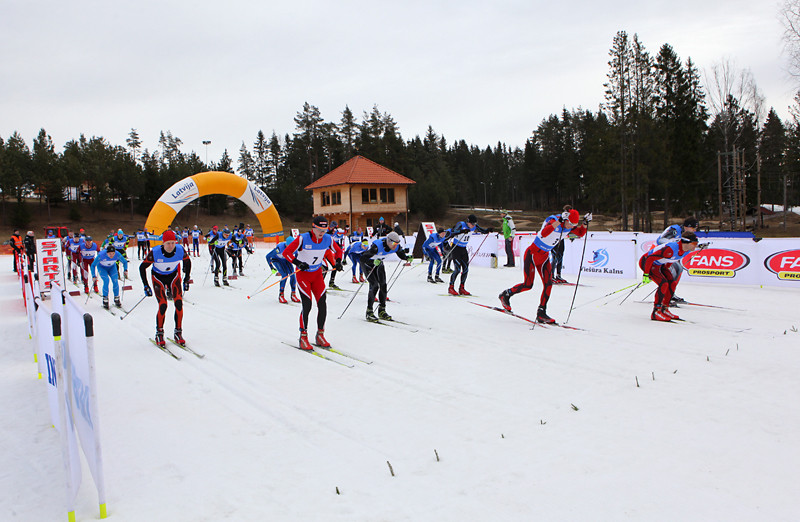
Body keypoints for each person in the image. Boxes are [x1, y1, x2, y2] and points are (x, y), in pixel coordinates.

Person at [498, 208, 590, 323]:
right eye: (570, 224)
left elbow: (581, 233)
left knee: (548, 283)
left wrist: (585, 223)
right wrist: (560, 220)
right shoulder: (554, 220)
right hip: (532, 254)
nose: (571, 227)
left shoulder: (569, 225)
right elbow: (544, 233)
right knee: (528, 285)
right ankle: (505, 295)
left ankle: (541, 313)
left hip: (544, 257)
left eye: (574, 225)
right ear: (565, 219)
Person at [281, 216, 344, 350]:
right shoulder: (303, 238)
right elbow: (286, 252)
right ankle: (303, 337)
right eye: (320, 229)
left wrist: (337, 262)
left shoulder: (328, 239)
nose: (322, 232)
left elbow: (338, 250)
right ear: (313, 227)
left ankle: (320, 335)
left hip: (317, 275)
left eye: (325, 229)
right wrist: (298, 263)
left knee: (322, 304)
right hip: (303, 275)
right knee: (307, 305)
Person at [139, 229, 192, 347]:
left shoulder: (179, 249)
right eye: (168, 243)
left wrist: (186, 279)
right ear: (163, 243)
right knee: (163, 305)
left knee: (178, 304)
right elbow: (142, 267)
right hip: (158, 278)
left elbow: (188, 262)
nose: (171, 246)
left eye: (173, 242)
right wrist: (146, 285)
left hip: (173, 276)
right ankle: (159, 333)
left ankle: (178, 332)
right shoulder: (155, 252)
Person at [639, 232, 699, 322]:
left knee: (672, 283)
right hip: (647, 262)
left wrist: (665, 273)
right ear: (687, 242)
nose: (695, 246)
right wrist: (646, 274)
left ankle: (665, 308)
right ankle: (656, 311)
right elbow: (650, 258)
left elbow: (671, 259)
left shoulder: (686, 251)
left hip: (660, 264)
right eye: (694, 244)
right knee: (664, 284)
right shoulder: (670, 248)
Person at [359, 231, 412, 322]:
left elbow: (401, 254)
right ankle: (369, 311)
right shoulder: (376, 247)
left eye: (397, 243)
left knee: (383, 285)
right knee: (374, 285)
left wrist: (407, 257)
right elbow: (362, 258)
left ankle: (382, 310)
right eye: (394, 243)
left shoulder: (396, 247)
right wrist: (372, 262)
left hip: (379, 263)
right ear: (389, 241)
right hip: (368, 264)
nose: (396, 245)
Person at [446, 214, 493, 296]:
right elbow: (453, 232)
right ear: (468, 222)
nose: (473, 226)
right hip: (456, 248)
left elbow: (482, 230)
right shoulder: (461, 224)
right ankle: (451, 287)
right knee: (457, 269)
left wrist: (488, 230)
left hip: (463, 249)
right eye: (472, 224)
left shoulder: (474, 226)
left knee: (466, 269)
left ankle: (462, 288)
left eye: (474, 224)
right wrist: (462, 231)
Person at [657, 217, 699, 305]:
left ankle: (670, 293)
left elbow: (688, 245)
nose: (695, 230)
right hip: (662, 253)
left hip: (673, 254)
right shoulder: (675, 230)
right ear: (687, 226)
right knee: (676, 270)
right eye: (693, 228)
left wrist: (699, 247)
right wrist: (675, 243)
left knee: (679, 271)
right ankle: (666, 295)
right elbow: (661, 240)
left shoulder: (686, 234)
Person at [91, 244, 129, 309]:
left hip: (112, 268)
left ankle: (116, 298)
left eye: (113, 253)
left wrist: (125, 270)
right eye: (110, 254)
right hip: (102, 268)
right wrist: (93, 275)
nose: (111, 255)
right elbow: (93, 265)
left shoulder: (117, 254)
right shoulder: (101, 255)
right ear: (107, 253)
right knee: (106, 281)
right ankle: (105, 299)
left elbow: (125, 262)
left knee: (115, 281)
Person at [265, 237, 300, 303]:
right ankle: (281, 295)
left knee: (292, 274)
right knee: (284, 275)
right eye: (289, 246)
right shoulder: (279, 248)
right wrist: (272, 267)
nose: (290, 248)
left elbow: (297, 257)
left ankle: (293, 294)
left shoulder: (295, 249)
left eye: (292, 245)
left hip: (286, 259)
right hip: (277, 260)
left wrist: (299, 264)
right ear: (286, 244)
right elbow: (268, 256)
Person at [550, 204, 574, 283]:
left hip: (561, 239)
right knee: (555, 257)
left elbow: (571, 227)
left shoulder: (569, 219)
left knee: (560, 256)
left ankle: (558, 275)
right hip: (555, 239)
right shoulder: (559, 217)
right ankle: (551, 276)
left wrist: (571, 235)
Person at [326, 221, 346, 290]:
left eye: (335, 228)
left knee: (335, 266)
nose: (334, 229)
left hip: (328, 251)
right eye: (333, 228)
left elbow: (337, 244)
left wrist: (339, 261)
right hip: (320, 251)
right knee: (323, 267)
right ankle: (319, 284)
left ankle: (331, 282)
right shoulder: (326, 230)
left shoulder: (336, 233)